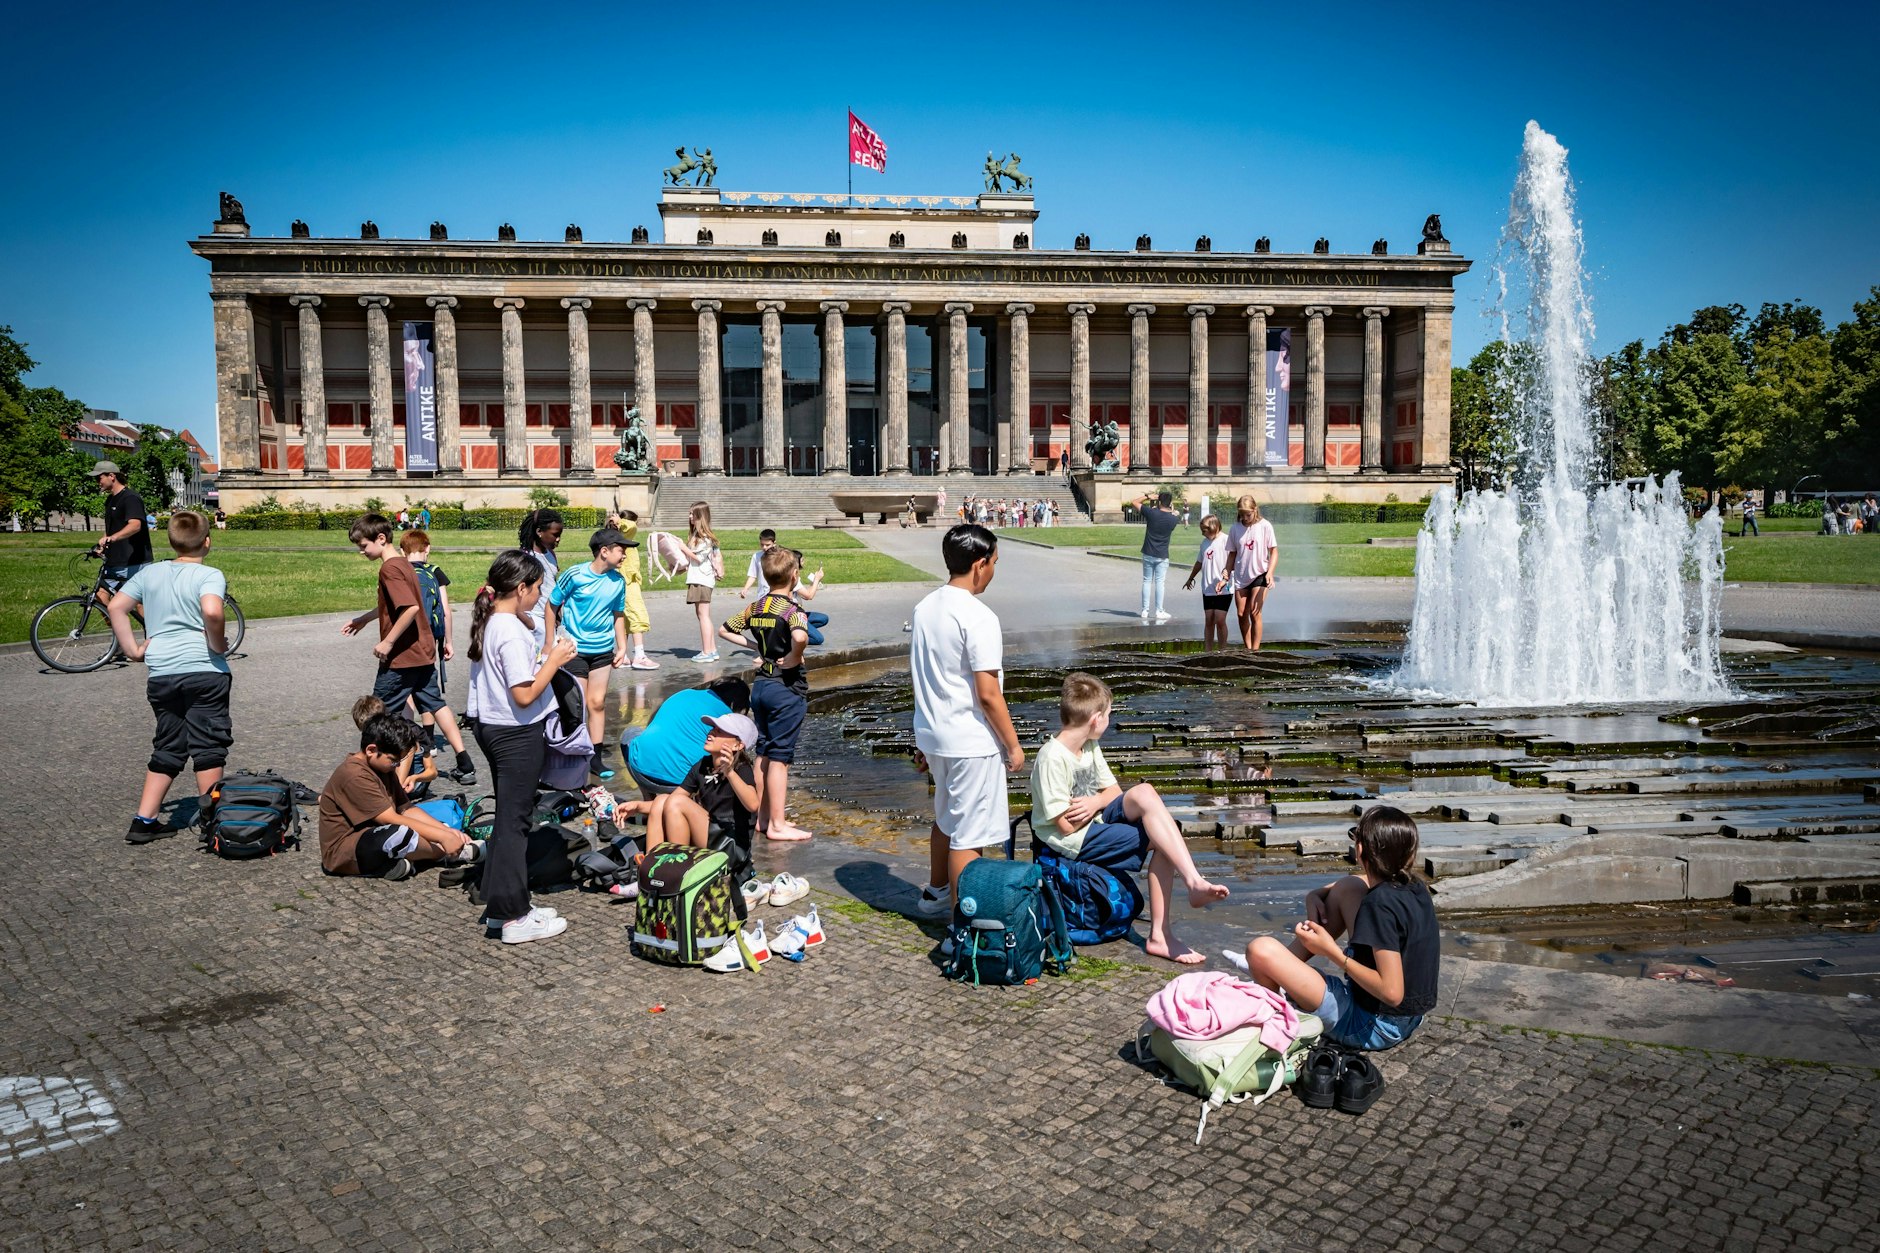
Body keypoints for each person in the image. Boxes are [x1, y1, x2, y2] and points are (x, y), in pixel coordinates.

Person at [1032, 673, 1229, 963]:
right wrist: (1095, 808)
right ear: (1096, 719)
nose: (1109, 721)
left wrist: (1095, 802)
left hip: (1092, 821)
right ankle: (1160, 936)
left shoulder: (1088, 745)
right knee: (1162, 838)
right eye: (1109, 715)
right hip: (1069, 839)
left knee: (1146, 794)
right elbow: (1064, 824)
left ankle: (1194, 882)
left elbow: (1113, 791)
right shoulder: (1052, 758)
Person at [1243, 806, 1439, 1051]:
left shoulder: (1379, 906)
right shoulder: (1413, 885)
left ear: (1360, 850)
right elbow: (1357, 882)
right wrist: (1317, 893)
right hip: (1408, 1018)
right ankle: (1283, 969)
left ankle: (1275, 1014)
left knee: (1260, 950)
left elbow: (1392, 992)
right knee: (1348, 886)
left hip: (1373, 1026)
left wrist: (1330, 951)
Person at [909, 524, 1023, 916]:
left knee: (947, 815)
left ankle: (937, 893)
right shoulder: (979, 616)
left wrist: (924, 737)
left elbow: (925, 673)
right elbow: (988, 693)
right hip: (970, 739)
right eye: (994, 562)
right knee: (968, 837)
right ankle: (963, 926)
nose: (994, 570)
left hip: (935, 732)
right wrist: (1013, 745)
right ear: (979, 565)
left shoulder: (925, 607)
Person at [467, 550, 577, 944]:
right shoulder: (509, 630)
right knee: (516, 822)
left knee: (508, 817)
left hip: (491, 726)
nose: (540, 597)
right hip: (514, 733)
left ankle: (501, 906)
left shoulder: (496, 620)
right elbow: (525, 693)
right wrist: (556, 657)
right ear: (521, 588)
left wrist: (533, 634)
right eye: (536, 590)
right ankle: (515, 916)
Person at [105, 510, 231, 844]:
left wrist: (132, 649)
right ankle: (211, 820)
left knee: (169, 742)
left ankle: (144, 820)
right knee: (209, 744)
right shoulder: (209, 575)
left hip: (162, 673)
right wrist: (217, 645)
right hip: (204, 670)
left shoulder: (150, 573)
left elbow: (116, 606)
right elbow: (213, 611)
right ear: (207, 541)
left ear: (171, 540)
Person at [341, 513, 476, 785]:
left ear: (381, 539)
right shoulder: (405, 565)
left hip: (402, 658)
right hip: (423, 652)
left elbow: (411, 608)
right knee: (435, 704)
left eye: (363, 545)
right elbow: (395, 605)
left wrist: (388, 641)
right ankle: (464, 762)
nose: (361, 551)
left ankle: (368, 775)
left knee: (375, 717)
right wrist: (365, 620)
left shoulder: (390, 569)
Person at [719, 548, 813, 841]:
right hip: (786, 689)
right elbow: (800, 636)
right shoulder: (792, 611)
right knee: (780, 757)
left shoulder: (756, 607)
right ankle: (777, 823)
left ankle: (761, 817)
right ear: (794, 576)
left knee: (763, 752)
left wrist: (753, 646)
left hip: (761, 686)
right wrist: (796, 656)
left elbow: (724, 630)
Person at [317, 711, 481, 880]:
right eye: (394, 760)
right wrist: (443, 840)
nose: (396, 765)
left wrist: (448, 832)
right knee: (400, 834)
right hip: (345, 851)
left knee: (435, 827)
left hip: (374, 834)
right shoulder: (354, 775)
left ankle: (403, 861)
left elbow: (406, 809)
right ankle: (447, 854)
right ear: (371, 750)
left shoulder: (382, 767)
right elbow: (390, 819)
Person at [546, 526, 633, 778]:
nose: (624, 555)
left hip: (603, 650)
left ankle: (594, 757)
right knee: (577, 705)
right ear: (604, 552)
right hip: (574, 649)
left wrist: (622, 646)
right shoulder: (575, 575)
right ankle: (574, 753)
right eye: (621, 550)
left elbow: (618, 615)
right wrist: (549, 642)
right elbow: (552, 606)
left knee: (597, 702)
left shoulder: (618, 581)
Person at [637, 713, 760, 857]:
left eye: (720, 731)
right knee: (661, 800)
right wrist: (637, 807)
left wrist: (730, 773)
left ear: (738, 745)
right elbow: (669, 802)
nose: (711, 733)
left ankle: (679, 864)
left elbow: (753, 805)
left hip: (730, 843)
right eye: (713, 728)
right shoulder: (703, 765)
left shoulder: (741, 768)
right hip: (709, 832)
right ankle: (652, 863)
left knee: (677, 802)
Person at [624, 677, 751, 797]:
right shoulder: (728, 718)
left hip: (640, 769)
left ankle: (648, 799)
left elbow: (652, 723)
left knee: (631, 732)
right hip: (683, 783)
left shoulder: (685, 693)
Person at [401, 530, 454, 761]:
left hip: (406, 637)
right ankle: (430, 740)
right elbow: (446, 611)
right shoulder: (435, 572)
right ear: (427, 548)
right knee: (426, 684)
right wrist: (448, 641)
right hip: (430, 637)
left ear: (402, 551)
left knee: (407, 690)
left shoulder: (400, 572)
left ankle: (414, 738)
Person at [603, 510, 659, 671]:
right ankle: (639, 655)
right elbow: (631, 526)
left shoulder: (618, 540)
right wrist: (620, 521)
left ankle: (623, 655)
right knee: (637, 615)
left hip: (623, 581)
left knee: (624, 618)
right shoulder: (624, 537)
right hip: (628, 582)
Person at [90, 460, 153, 601]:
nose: (97, 482)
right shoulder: (110, 500)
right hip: (114, 559)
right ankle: (117, 624)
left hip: (134, 560)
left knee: (138, 603)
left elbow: (136, 525)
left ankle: (150, 624)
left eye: (98, 477)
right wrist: (103, 544)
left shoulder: (130, 498)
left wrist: (113, 538)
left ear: (111, 476)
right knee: (100, 597)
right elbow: (110, 529)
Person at [351, 695, 435, 796]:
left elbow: (432, 772)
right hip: (388, 775)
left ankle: (394, 792)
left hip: (412, 784)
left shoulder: (408, 730)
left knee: (407, 744)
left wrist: (415, 778)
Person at [1227, 495, 1279, 650]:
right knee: (1242, 614)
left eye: (1248, 514)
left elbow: (1274, 552)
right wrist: (1226, 573)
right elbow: (1232, 554)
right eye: (1242, 515)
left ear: (1255, 510)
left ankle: (1256, 651)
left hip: (1260, 574)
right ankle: (1248, 648)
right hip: (1241, 576)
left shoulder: (1265, 526)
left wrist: (1270, 573)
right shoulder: (1235, 528)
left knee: (1255, 613)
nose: (1245, 518)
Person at [517, 508, 565, 650]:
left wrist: (557, 616)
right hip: (534, 620)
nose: (558, 539)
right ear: (539, 532)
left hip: (551, 620)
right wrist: (530, 623)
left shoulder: (550, 554)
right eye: (555, 534)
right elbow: (511, 595)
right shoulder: (525, 558)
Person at [1182, 514, 1232, 649]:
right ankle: (1208, 650)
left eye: (1204, 530)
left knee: (1220, 619)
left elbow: (1233, 561)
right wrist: (1190, 578)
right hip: (1208, 588)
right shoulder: (1204, 543)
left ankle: (1223, 649)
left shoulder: (1226, 541)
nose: (1202, 533)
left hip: (1224, 587)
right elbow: (1199, 562)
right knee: (1209, 619)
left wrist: (1226, 577)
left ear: (1213, 527)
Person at [683, 501, 724, 662]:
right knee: (701, 615)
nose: (690, 517)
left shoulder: (705, 538)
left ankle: (707, 651)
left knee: (703, 615)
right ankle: (712, 650)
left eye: (692, 514)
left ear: (701, 516)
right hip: (698, 578)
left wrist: (682, 547)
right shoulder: (696, 536)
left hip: (702, 579)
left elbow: (698, 559)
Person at [1137, 490, 1181, 624]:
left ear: (1159, 501)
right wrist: (1173, 511)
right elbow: (1172, 514)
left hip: (1148, 552)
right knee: (1160, 583)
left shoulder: (1151, 513)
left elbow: (1135, 502)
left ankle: (1145, 610)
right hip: (1162, 554)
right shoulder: (1174, 519)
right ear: (1171, 503)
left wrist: (1147, 497)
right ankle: (1159, 610)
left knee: (1146, 581)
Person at [786, 548, 830, 646]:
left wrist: (813, 583)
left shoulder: (796, 576)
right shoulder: (793, 577)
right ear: (796, 563)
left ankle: (794, 632)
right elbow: (809, 596)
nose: (803, 561)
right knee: (818, 639)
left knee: (823, 619)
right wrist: (817, 580)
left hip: (798, 612)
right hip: (793, 615)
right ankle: (790, 638)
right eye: (802, 560)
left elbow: (805, 595)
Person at [739, 528, 779, 599]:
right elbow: (752, 575)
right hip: (762, 595)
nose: (764, 547)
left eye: (767, 545)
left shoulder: (781, 556)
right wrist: (745, 589)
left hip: (778, 595)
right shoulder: (757, 556)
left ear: (774, 543)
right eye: (762, 544)